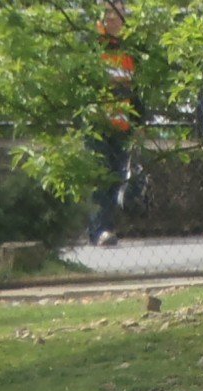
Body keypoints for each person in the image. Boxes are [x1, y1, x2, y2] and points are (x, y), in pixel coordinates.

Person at [89, 3, 137, 247]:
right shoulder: (93, 45)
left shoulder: (129, 48)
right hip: (98, 124)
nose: (115, 17)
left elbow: (134, 88)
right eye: (110, 12)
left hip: (121, 123)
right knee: (100, 177)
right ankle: (99, 230)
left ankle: (106, 227)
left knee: (117, 177)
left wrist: (139, 121)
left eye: (119, 12)